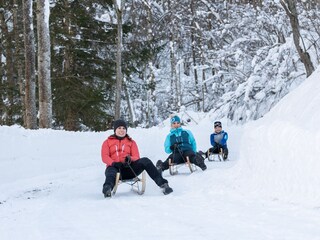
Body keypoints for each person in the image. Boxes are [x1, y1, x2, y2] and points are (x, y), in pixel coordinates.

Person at [101, 119, 173, 197]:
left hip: (129, 169)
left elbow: (136, 156)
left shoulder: (131, 142)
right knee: (111, 171)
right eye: (119, 128)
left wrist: (130, 158)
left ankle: (163, 184)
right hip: (115, 169)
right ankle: (107, 188)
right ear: (115, 130)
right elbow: (104, 156)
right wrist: (113, 163)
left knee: (145, 160)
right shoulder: (107, 142)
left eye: (123, 128)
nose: (121, 130)